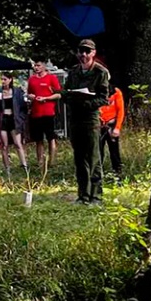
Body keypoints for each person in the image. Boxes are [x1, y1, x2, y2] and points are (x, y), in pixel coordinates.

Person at [61, 39, 110, 205]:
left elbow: (104, 98)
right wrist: (70, 97)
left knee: (93, 158)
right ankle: (83, 195)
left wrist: (86, 102)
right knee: (79, 158)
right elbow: (65, 92)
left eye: (87, 51)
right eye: (81, 51)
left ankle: (96, 196)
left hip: (90, 119)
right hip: (75, 118)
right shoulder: (74, 72)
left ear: (93, 53)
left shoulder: (100, 72)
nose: (83, 55)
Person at [27, 61, 61, 168]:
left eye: (38, 65)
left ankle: (52, 161)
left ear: (44, 66)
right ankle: (40, 162)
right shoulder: (31, 79)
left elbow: (59, 94)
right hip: (36, 113)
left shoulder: (51, 78)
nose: (36, 68)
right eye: (35, 66)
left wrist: (46, 98)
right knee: (38, 139)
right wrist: (30, 96)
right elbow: (29, 94)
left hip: (48, 112)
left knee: (51, 137)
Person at [0, 73, 28, 176]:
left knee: (17, 143)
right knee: (4, 145)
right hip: (3, 119)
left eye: (5, 79)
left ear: (10, 80)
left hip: (14, 119)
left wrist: (21, 119)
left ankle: (24, 165)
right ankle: (7, 168)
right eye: (1, 79)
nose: (3, 81)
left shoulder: (17, 91)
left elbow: (23, 106)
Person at [99, 82, 125, 180]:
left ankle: (118, 175)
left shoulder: (116, 92)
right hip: (99, 125)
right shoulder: (95, 91)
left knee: (114, 152)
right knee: (98, 152)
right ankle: (98, 176)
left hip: (112, 125)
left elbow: (121, 111)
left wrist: (117, 128)